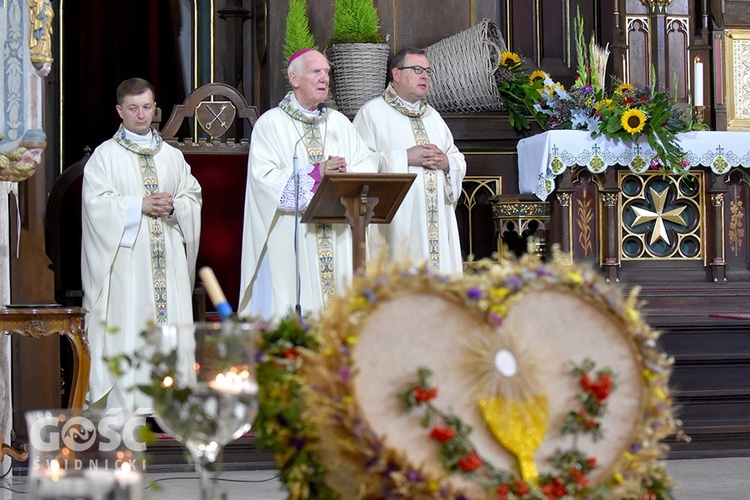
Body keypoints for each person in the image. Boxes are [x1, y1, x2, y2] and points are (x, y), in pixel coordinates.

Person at [82, 78, 202, 411]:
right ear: (120, 111)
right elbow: (96, 206)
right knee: (131, 325)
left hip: (169, 259)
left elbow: (192, 197)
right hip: (127, 262)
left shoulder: (173, 157)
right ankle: (130, 405)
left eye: (147, 107)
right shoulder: (105, 157)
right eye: (133, 108)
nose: (141, 115)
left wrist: (176, 207)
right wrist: (140, 206)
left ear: (155, 107)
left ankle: (172, 404)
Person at [239, 49, 379, 320]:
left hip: (338, 235)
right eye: (316, 72)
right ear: (294, 78)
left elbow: (367, 163)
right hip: (293, 240)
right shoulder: (272, 124)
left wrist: (344, 173)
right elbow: (264, 182)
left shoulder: (339, 123)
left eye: (327, 72)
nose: (324, 78)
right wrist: (316, 173)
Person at [354, 47, 466, 277]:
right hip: (398, 226)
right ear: (396, 74)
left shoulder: (433, 117)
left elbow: (456, 157)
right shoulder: (372, 114)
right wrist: (404, 157)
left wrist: (446, 163)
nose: (424, 75)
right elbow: (358, 166)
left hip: (437, 224)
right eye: (417, 69)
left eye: (427, 70)